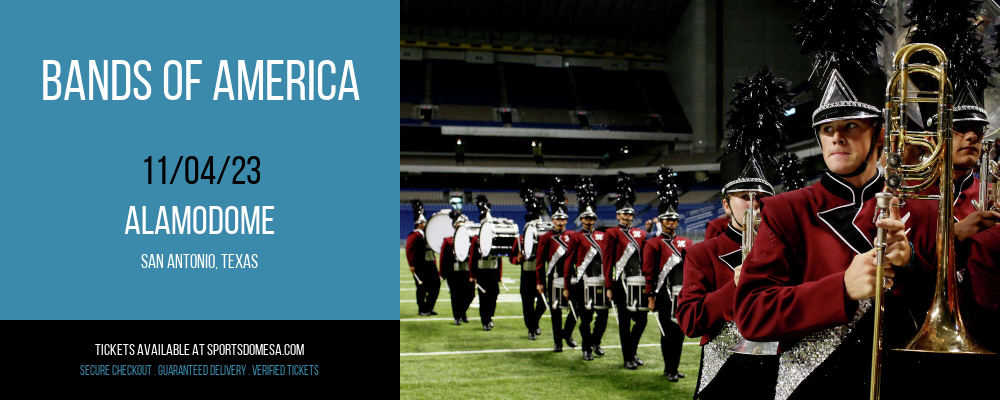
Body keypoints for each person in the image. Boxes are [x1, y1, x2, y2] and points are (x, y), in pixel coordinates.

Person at [734, 7, 941, 397]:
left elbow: (948, 309)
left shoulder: (926, 210)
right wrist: (840, 289)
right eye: (827, 129)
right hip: (813, 389)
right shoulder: (785, 211)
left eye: (851, 126)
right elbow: (752, 315)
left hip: (905, 384)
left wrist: (910, 263)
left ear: (879, 135)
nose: (837, 137)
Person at [676, 66, 790, 398]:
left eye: (761, 198)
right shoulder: (702, 254)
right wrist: (734, 290)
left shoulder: (788, 249)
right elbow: (689, 321)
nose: (754, 205)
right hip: (722, 371)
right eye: (744, 198)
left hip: (778, 371)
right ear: (726, 205)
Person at [644, 166, 690, 382]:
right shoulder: (653, 243)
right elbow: (650, 272)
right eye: (667, 219)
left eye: (674, 219)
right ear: (661, 220)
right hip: (663, 296)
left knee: (680, 333)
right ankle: (668, 368)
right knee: (667, 333)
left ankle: (675, 367)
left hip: (681, 295)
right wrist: (650, 297)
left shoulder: (686, 243)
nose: (671, 222)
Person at [603, 171, 648, 370]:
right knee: (624, 322)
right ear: (618, 215)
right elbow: (607, 261)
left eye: (630, 213)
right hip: (620, 283)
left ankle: (633, 351)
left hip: (637, 282)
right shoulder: (611, 233)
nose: (628, 216)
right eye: (624, 213)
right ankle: (627, 357)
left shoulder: (640, 233)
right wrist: (608, 286)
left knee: (642, 320)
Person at [564, 177, 609, 361]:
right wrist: (567, 285)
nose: (589, 220)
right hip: (583, 282)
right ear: (581, 219)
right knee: (586, 317)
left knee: (603, 316)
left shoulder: (602, 235)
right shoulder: (575, 237)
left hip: (601, 280)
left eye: (591, 218)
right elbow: (568, 262)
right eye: (586, 218)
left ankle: (596, 342)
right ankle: (586, 348)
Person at [535, 178, 577, 351]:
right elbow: (539, 262)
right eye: (557, 219)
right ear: (552, 220)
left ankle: (566, 333)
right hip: (553, 277)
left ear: (566, 220)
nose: (560, 222)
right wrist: (539, 282)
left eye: (563, 219)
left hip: (571, 276)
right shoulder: (545, 238)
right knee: (555, 311)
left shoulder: (573, 235)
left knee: (576, 308)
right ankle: (557, 342)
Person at [511, 188, 547, 340]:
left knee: (543, 302)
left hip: (541, 273)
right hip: (526, 273)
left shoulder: (545, 237)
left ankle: (534, 322)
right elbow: (512, 257)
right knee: (527, 303)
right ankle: (531, 329)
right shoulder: (520, 239)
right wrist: (517, 259)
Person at [470, 195, 503, 331]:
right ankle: (485, 320)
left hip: (493, 272)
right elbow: (472, 257)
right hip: (482, 272)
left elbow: (499, 256)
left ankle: (489, 316)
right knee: (483, 297)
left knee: (494, 295)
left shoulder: (496, 237)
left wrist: (500, 274)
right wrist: (472, 274)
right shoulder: (475, 239)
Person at [438, 209, 474, 325]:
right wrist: (443, 273)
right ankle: (457, 316)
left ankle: (462, 312)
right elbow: (443, 258)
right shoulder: (448, 241)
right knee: (456, 295)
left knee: (470, 294)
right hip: (453, 272)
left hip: (467, 272)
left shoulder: (472, 240)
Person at [405, 200, 440, 316]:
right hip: (420, 264)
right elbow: (409, 249)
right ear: (419, 223)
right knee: (422, 287)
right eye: (424, 223)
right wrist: (411, 264)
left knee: (436, 285)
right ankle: (422, 309)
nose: (425, 225)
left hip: (430, 263)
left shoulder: (428, 234)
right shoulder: (414, 235)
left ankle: (429, 306)